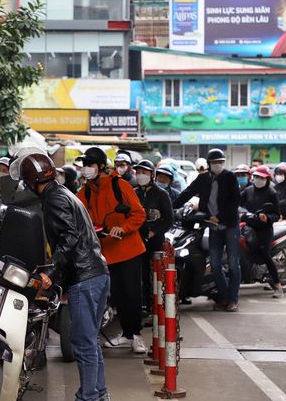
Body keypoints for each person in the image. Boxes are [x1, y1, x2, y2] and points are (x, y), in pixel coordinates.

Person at [17, 152, 110, 401]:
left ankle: (89, 397)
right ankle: (99, 395)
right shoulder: (65, 193)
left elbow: (69, 238)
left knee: (82, 342)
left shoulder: (54, 199)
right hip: (97, 273)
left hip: (85, 276)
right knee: (89, 341)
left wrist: (51, 272)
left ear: (30, 181)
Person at [77, 147, 147, 353]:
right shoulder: (86, 191)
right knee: (114, 295)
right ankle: (125, 333)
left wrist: (123, 228)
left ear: (100, 166)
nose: (86, 169)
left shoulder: (120, 185)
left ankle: (135, 335)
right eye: (84, 165)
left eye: (89, 165)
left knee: (131, 294)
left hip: (128, 249)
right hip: (104, 251)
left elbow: (138, 214)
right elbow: (78, 214)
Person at [173, 149, 241, 312]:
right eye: (215, 163)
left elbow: (235, 201)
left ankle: (233, 300)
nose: (218, 165)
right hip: (212, 226)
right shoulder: (203, 179)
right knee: (215, 265)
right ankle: (224, 297)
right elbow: (187, 193)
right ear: (209, 165)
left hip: (230, 225)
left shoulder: (230, 177)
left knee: (233, 264)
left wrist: (220, 216)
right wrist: (170, 207)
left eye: (220, 162)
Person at [134, 160, 173, 313]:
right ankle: (143, 305)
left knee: (155, 275)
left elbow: (169, 220)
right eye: (138, 172)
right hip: (137, 242)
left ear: (152, 175)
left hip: (155, 242)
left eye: (144, 172)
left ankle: (157, 308)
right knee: (139, 274)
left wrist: (153, 232)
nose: (141, 175)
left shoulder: (162, 195)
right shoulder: (133, 193)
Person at [240, 166, 284, 298]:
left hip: (264, 230)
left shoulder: (272, 193)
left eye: (261, 177)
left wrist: (267, 218)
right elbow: (238, 204)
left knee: (265, 255)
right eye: (256, 177)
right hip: (248, 227)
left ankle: (277, 285)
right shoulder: (248, 191)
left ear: (267, 178)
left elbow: (276, 214)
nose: (258, 179)